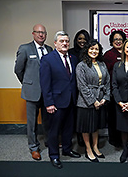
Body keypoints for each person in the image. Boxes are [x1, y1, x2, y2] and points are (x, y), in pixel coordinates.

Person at [40, 31, 81, 169]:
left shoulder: (73, 58)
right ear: (55, 43)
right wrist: (49, 103)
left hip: (70, 100)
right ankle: (54, 155)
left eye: (67, 41)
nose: (65, 43)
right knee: (54, 130)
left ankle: (67, 149)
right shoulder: (47, 59)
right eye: (62, 41)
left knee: (69, 128)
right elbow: (45, 84)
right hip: (55, 102)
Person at [14, 24, 53, 161]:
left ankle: (49, 141)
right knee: (32, 122)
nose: (41, 35)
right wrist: (27, 84)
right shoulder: (25, 48)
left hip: (47, 93)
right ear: (33, 33)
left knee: (48, 120)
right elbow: (18, 70)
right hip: (32, 92)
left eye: (43, 32)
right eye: (38, 32)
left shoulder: (49, 49)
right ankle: (34, 147)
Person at [76, 39, 110, 162]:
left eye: (96, 49)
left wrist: (105, 98)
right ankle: (88, 149)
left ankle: (95, 147)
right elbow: (82, 86)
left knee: (95, 127)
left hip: (101, 100)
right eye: (91, 48)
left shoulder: (102, 64)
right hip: (85, 103)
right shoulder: (81, 65)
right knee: (86, 128)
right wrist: (93, 101)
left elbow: (107, 82)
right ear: (87, 50)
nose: (94, 51)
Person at [103, 30, 126, 148]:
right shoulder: (108, 55)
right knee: (113, 117)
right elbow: (105, 74)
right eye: (115, 39)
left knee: (124, 117)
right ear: (112, 41)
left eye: (120, 39)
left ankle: (124, 139)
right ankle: (114, 139)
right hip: (113, 91)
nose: (118, 41)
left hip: (126, 92)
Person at [68, 29, 91, 146]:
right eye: (79, 39)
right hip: (74, 89)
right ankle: (79, 138)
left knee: (87, 115)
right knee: (77, 115)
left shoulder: (91, 52)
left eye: (84, 39)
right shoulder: (70, 52)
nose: (82, 41)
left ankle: (88, 138)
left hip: (89, 89)